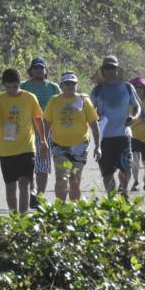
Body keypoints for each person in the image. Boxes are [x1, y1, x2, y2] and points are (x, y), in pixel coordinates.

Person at [0, 68, 47, 213]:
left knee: (24, 184)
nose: (12, 90)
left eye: (15, 86)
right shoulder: (0, 99)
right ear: (4, 85)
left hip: (26, 147)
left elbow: (38, 119)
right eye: (8, 87)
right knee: (10, 187)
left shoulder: (29, 97)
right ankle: (14, 218)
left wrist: (43, 140)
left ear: (19, 84)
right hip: (7, 150)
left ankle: (22, 220)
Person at [44, 73, 100, 202]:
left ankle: (74, 209)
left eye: (73, 84)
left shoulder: (84, 100)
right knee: (61, 177)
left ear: (77, 85)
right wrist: (43, 142)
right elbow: (47, 123)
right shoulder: (54, 100)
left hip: (79, 145)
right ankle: (60, 209)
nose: (70, 86)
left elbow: (94, 123)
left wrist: (98, 146)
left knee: (74, 179)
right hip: (59, 145)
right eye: (67, 84)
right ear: (62, 86)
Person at [91, 56, 141, 196]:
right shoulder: (97, 90)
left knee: (126, 168)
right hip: (104, 138)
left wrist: (134, 117)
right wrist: (96, 117)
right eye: (106, 68)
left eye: (112, 67)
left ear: (117, 69)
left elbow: (137, 107)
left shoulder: (127, 87)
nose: (109, 70)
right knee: (107, 172)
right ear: (102, 70)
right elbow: (89, 110)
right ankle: (111, 199)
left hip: (123, 135)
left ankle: (124, 192)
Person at [20, 57, 60, 206]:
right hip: (27, 131)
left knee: (43, 165)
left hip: (46, 130)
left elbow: (61, 103)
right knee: (29, 164)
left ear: (45, 70)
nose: (38, 70)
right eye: (35, 68)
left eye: (41, 68)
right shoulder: (23, 86)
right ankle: (32, 190)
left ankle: (40, 195)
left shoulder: (53, 88)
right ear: (31, 70)